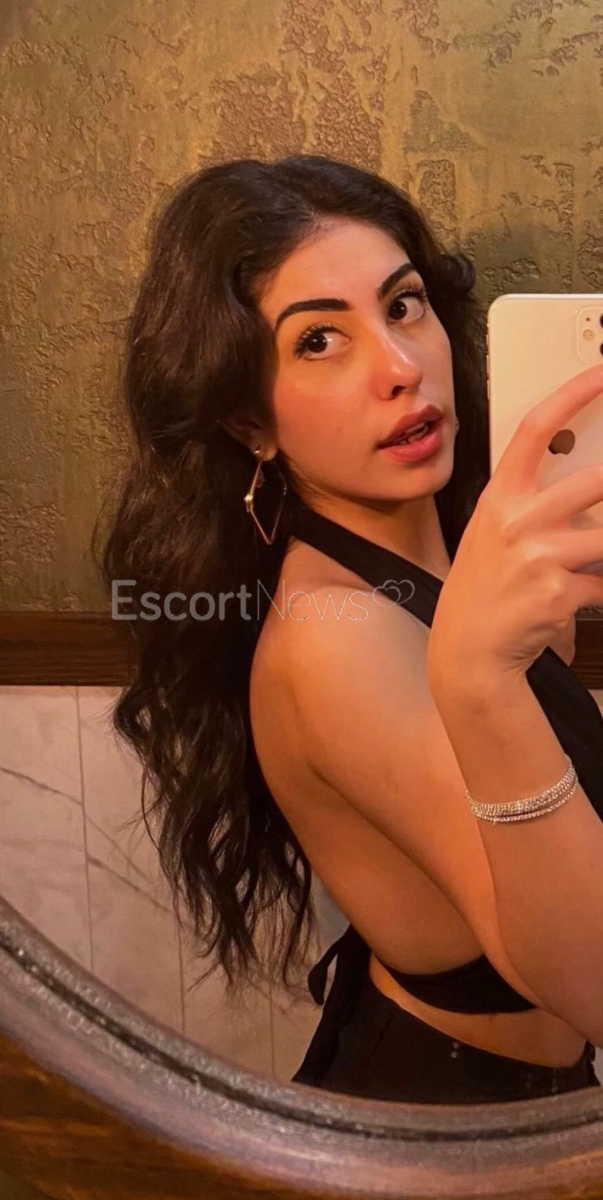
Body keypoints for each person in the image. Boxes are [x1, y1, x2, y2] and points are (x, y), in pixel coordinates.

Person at [98, 153, 603, 1104]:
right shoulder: (335, 637)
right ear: (249, 421)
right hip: (447, 1122)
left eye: (404, 305)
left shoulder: (444, 568)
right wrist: (482, 677)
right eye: (320, 341)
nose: (402, 367)